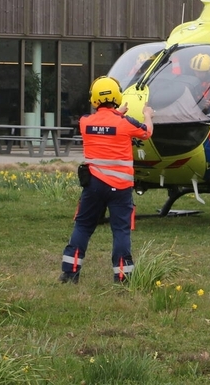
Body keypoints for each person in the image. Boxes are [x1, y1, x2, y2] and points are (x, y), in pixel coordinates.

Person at [60, 77, 153, 284]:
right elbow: (146, 132)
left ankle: (69, 273)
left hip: (93, 185)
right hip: (120, 189)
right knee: (120, 231)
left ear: (93, 99)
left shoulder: (85, 122)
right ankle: (122, 276)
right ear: (117, 96)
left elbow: (103, 125)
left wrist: (117, 114)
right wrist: (147, 115)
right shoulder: (126, 123)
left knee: (83, 227)